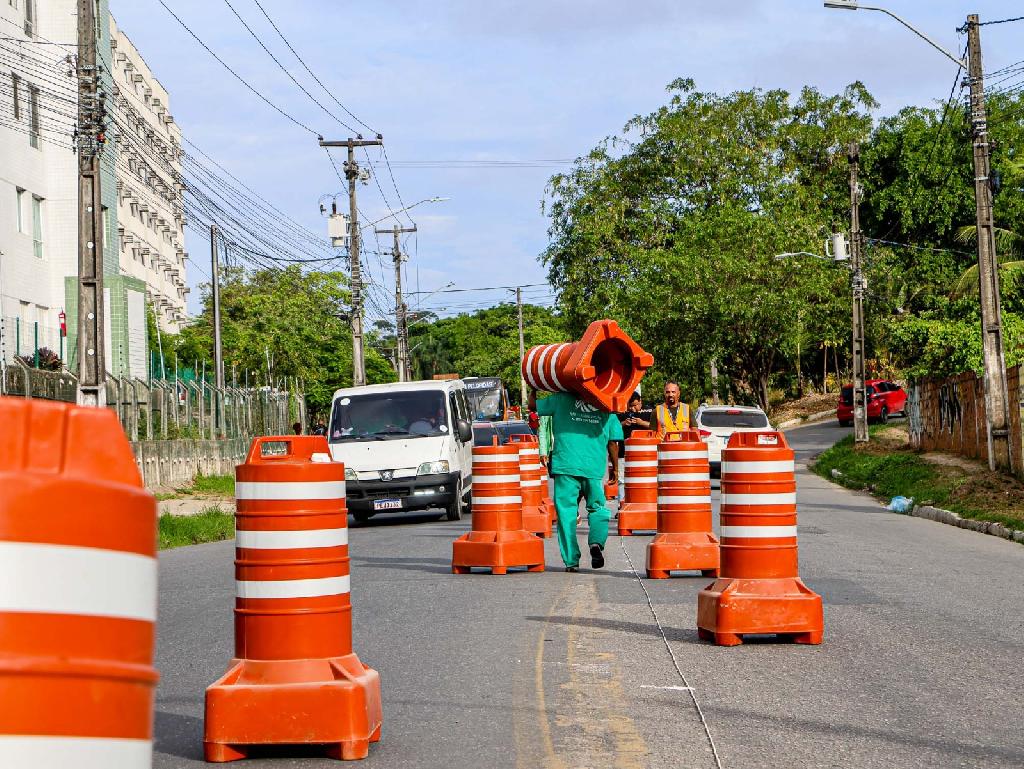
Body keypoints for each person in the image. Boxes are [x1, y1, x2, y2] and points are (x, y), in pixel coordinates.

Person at [529, 387, 623, 572]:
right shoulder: (605, 403)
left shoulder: (560, 399)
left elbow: (533, 406)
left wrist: (533, 388)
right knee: (598, 508)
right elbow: (613, 442)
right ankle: (596, 542)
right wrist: (615, 468)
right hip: (593, 466)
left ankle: (571, 561)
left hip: (566, 464)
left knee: (566, 514)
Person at [616, 392, 649, 502]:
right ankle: (621, 503)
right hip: (624, 452)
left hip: (644, 454)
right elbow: (611, 427)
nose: (633, 409)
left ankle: (641, 501)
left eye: (635, 405)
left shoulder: (649, 411)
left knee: (643, 479)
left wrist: (642, 423)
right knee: (622, 479)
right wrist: (623, 423)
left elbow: (656, 427)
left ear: (640, 402)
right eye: (630, 406)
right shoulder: (620, 412)